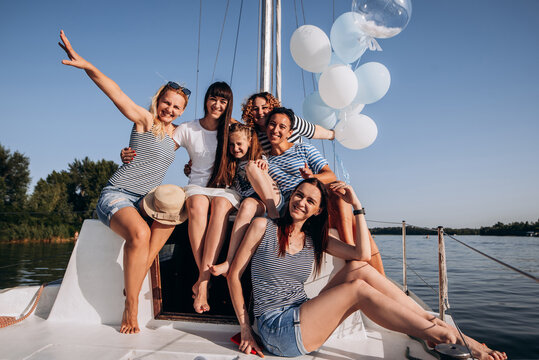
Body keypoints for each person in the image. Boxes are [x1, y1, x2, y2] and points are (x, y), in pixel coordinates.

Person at [226, 178, 507, 360]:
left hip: (301, 315)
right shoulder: (264, 227)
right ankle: (443, 335)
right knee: (357, 290)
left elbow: (361, 254)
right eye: (299, 195)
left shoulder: (314, 240)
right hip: (277, 329)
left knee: (358, 269)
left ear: (318, 211)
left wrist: (357, 206)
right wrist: (247, 329)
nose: (301, 202)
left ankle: (433, 325)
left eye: (310, 201)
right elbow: (234, 276)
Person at [59, 30, 189, 334]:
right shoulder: (145, 120)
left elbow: (211, 138)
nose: (169, 110)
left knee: (172, 215)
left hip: (144, 201)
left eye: (176, 107)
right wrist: (88, 66)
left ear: (182, 111)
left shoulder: (179, 135)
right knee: (141, 233)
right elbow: (113, 90)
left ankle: (139, 271)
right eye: (166, 103)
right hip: (117, 194)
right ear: (159, 100)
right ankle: (130, 305)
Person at [262, 107, 384, 274]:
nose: (275, 130)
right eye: (272, 124)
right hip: (297, 206)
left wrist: (311, 178)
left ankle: (357, 260)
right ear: (266, 127)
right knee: (356, 224)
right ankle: (356, 258)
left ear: (290, 132)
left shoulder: (304, 149)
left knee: (338, 192)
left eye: (282, 127)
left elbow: (330, 175)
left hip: (317, 200)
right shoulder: (265, 161)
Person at [173, 81, 243, 314]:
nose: (217, 104)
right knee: (197, 204)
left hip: (225, 188)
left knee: (220, 206)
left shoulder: (233, 128)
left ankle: (202, 282)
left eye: (223, 101)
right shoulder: (188, 128)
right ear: (206, 100)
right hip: (197, 186)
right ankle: (204, 281)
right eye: (214, 99)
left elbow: (253, 149)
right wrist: (131, 152)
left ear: (228, 104)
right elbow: (162, 148)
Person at [209, 123, 282, 277]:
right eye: (231, 145)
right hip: (254, 201)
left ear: (249, 141)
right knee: (246, 205)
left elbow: (264, 169)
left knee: (251, 167)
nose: (235, 148)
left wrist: (263, 164)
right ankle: (229, 261)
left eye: (239, 144)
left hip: (270, 198)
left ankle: (275, 216)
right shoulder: (232, 164)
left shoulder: (259, 157)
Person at [241, 92, 335, 154]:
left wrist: (332, 134)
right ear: (249, 112)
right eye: (255, 109)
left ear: (272, 108)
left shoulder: (289, 121)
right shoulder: (252, 136)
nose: (260, 112)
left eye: (264, 107)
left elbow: (313, 131)